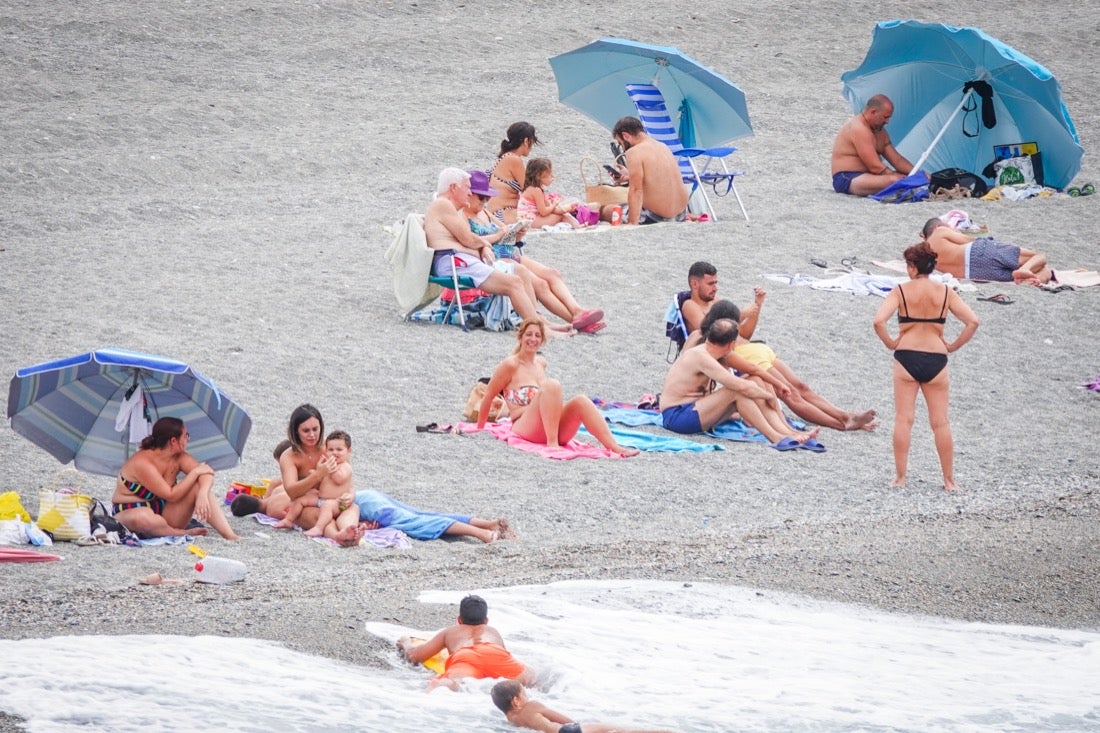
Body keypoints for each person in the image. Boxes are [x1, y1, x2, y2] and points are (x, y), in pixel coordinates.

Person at [872, 242, 980, 490]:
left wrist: (890, 343)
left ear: (912, 267)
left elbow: (878, 321)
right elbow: (972, 321)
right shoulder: (945, 292)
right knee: (941, 422)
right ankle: (949, 481)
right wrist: (952, 346)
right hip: (936, 357)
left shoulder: (900, 291)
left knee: (903, 419)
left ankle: (900, 478)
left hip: (906, 356)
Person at [685, 300, 878, 432]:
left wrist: (757, 305)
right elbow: (748, 369)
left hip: (759, 349)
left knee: (802, 387)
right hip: (752, 357)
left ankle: (845, 415)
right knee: (791, 394)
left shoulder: (721, 334)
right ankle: (843, 423)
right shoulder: (716, 343)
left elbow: (747, 333)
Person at [426, 167, 571, 333]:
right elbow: (468, 239)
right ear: (453, 187)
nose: (468, 192)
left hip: (459, 260)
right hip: (453, 263)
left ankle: (541, 322)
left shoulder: (446, 207)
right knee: (513, 283)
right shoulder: (443, 205)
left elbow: (466, 240)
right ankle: (539, 330)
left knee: (520, 272)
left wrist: (481, 246)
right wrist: (484, 245)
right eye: (467, 187)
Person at [464, 170, 605, 333]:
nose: (486, 201)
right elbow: (472, 242)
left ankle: (577, 312)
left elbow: (503, 231)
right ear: (468, 194)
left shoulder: (484, 212)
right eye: (482, 197)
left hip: (506, 250)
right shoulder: (462, 216)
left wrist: (516, 234)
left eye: (487, 197)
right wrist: (498, 235)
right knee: (540, 284)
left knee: (552, 273)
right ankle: (574, 322)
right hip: (494, 258)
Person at [477, 319, 640, 457]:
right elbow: (489, 395)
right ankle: (552, 444)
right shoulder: (510, 365)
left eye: (537, 336)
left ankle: (614, 447)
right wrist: (479, 429)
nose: (532, 339)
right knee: (552, 384)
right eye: (528, 334)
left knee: (581, 401)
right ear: (520, 337)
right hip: (523, 425)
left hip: (549, 426)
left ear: (542, 341)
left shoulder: (540, 363)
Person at [660, 318, 821, 450]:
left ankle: (789, 432)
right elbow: (740, 386)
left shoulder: (713, 350)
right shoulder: (701, 356)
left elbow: (753, 370)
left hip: (696, 409)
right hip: (676, 416)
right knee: (736, 392)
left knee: (756, 380)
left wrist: (777, 385)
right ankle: (775, 437)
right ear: (732, 344)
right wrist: (769, 397)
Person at [233, 485, 516, 544]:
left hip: (365, 506)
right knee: (421, 512)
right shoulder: (277, 487)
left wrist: (288, 519)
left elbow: (317, 515)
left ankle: (483, 534)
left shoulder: (275, 507)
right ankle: (488, 522)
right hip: (368, 494)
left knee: (418, 523)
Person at [111, 417, 239, 540]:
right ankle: (180, 533)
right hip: (130, 512)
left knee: (198, 486)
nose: (188, 439)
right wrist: (194, 473)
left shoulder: (179, 457)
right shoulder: (142, 462)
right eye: (185, 436)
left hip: (164, 513)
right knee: (143, 517)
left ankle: (230, 535)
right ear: (173, 441)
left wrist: (202, 493)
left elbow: (207, 473)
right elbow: (170, 495)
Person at [260, 404, 365, 546]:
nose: (312, 435)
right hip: (308, 502)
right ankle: (338, 536)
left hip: (335, 499)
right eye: (306, 430)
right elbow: (291, 492)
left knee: (352, 508)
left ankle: (352, 532)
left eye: (315, 429)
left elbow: (347, 480)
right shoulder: (289, 456)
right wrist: (317, 475)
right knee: (315, 515)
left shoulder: (332, 448)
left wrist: (350, 495)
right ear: (296, 431)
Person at [398, 594, 534, 691]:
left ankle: (437, 686)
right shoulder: (492, 631)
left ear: (459, 620)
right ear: (486, 621)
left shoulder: (451, 631)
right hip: (495, 653)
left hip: (466, 657)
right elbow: (501, 655)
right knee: (529, 677)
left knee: (454, 683)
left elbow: (415, 656)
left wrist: (406, 642)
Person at [491, 680, 677, 733]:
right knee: (617, 730)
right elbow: (561, 719)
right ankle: (665, 732)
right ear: (516, 701)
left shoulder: (511, 719)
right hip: (568, 731)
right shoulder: (531, 706)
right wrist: (580, 725)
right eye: (524, 693)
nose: (527, 696)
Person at [921, 217, 1053, 285]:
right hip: (977, 252)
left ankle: (1028, 281)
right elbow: (969, 240)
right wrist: (985, 237)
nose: (952, 228)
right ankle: (1024, 269)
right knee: (1039, 256)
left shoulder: (925, 256)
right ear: (938, 226)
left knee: (1045, 270)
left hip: (976, 273)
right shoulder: (939, 231)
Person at [274, 430, 356, 538]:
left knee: (326, 508)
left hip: (335, 502)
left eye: (339, 450)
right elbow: (322, 481)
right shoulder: (329, 465)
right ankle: (288, 520)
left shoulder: (345, 466)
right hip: (321, 498)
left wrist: (329, 470)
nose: (335, 452)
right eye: (330, 450)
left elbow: (339, 479)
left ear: (349, 451)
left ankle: (319, 528)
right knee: (301, 500)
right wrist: (317, 473)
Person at [831, 94, 915, 197]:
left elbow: (897, 160)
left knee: (909, 177)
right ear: (873, 112)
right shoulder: (859, 129)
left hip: (869, 175)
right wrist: (896, 176)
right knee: (895, 180)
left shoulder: (880, 132)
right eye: (885, 117)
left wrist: (917, 173)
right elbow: (875, 167)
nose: (887, 121)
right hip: (847, 177)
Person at [611, 116, 690, 225]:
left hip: (657, 217)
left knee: (607, 210)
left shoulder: (634, 152)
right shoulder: (663, 146)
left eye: (621, 143)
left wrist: (632, 223)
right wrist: (629, 175)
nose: (623, 149)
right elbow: (659, 177)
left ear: (626, 136)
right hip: (681, 215)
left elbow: (636, 191)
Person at [488, 121, 540, 224]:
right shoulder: (514, 160)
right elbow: (529, 189)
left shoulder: (506, 156)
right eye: (532, 142)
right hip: (503, 214)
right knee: (556, 217)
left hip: (497, 213)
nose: (532, 146)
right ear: (526, 141)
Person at [518, 158, 584, 229]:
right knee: (560, 216)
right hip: (528, 220)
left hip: (532, 217)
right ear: (539, 176)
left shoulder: (537, 189)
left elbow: (549, 207)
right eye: (550, 174)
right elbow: (544, 212)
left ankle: (577, 226)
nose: (552, 177)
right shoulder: (536, 190)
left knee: (562, 214)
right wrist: (554, 204)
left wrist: (566, 209)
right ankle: (578, 227)